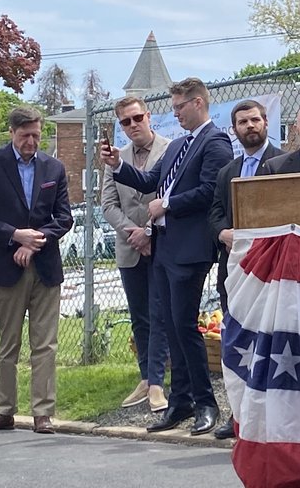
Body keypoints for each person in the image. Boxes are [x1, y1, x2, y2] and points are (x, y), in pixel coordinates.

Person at [100, 77, 233, 436]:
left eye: (179, 108)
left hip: (190, 249)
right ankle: (181, 403)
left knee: (186, 326)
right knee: (171, 326)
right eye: (172, 108)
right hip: (164, 248)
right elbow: (148, 181)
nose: (175, 115)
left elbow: (210, 191)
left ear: (199, 103)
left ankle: (207, 404)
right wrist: (117, 166)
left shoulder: (215, 141)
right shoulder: (177, 146)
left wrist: (168, 204)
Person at [0, 107, 73, 435]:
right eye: (25, 136)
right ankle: (4, 411)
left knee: (45, 343)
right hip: (5, 268)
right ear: (11, 133)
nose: (31, 141)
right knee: (8, 343)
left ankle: (43, 413)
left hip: (45, 267)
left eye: (36, 135)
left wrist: (33, 242)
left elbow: (64, 217)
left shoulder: (54, 168)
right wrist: (14, 235)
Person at [208, 99, 283, 439]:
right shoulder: (228, 171)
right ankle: (238, 415)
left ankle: (273, 413)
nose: (249, 126)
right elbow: (215, 211)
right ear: (234, 129)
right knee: (237, 342)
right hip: (235, 272)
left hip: (273, 272)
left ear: (266, 123)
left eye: (255, 120)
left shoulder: (284, 163)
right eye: (242, 122)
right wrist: (222, 231)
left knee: (273, 342)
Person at [101, 96, 171, 413]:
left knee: (161, 315)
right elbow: (108, 204)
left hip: (161, 245)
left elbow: (172, 196)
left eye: (137, 118)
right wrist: (133, 232)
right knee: (140, 317)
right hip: (129, 248)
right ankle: (146, 376)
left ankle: (158, 382)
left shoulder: (170, 149)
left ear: (149, 116)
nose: (133, 125)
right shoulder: (116, 157)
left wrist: (149, 232)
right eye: (125, 122)